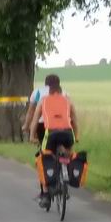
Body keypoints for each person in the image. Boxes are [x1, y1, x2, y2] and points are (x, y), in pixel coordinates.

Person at [30, 75, 80, 206]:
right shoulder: (67, 100)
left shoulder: (43, 101)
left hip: (51, 133)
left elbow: (35, 121)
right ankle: (66, 180)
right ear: (60, 91)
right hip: (68, 133)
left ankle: (45, 194)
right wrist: (77, 135)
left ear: (50, 91)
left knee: (44, 158)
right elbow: (74, 119)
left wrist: (32, 136)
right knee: (68, 154)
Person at [22, 75, 58, 144]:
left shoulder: (38, 92)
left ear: (45, 83)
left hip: (42, 124)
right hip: (61, 125)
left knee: (43, 144)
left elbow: (31, 111)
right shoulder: (64, 93)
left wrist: (26, 125)